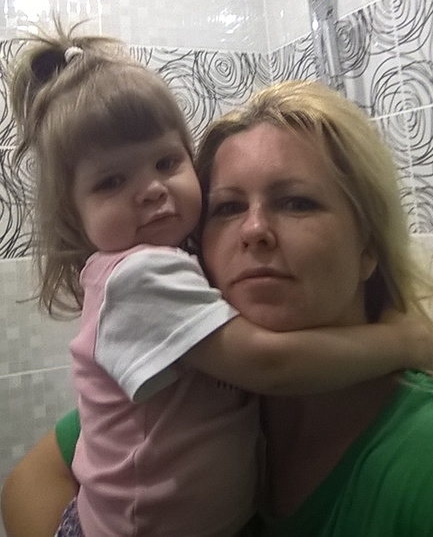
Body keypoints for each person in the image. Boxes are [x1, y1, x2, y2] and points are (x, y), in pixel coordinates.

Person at [3, 36, 432, 537]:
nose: (254, 230)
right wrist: (405, 340)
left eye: (296, 202)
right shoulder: (197, 364)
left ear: (368, 247)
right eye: (227, 207)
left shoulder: (418, 455)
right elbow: (28, 481)